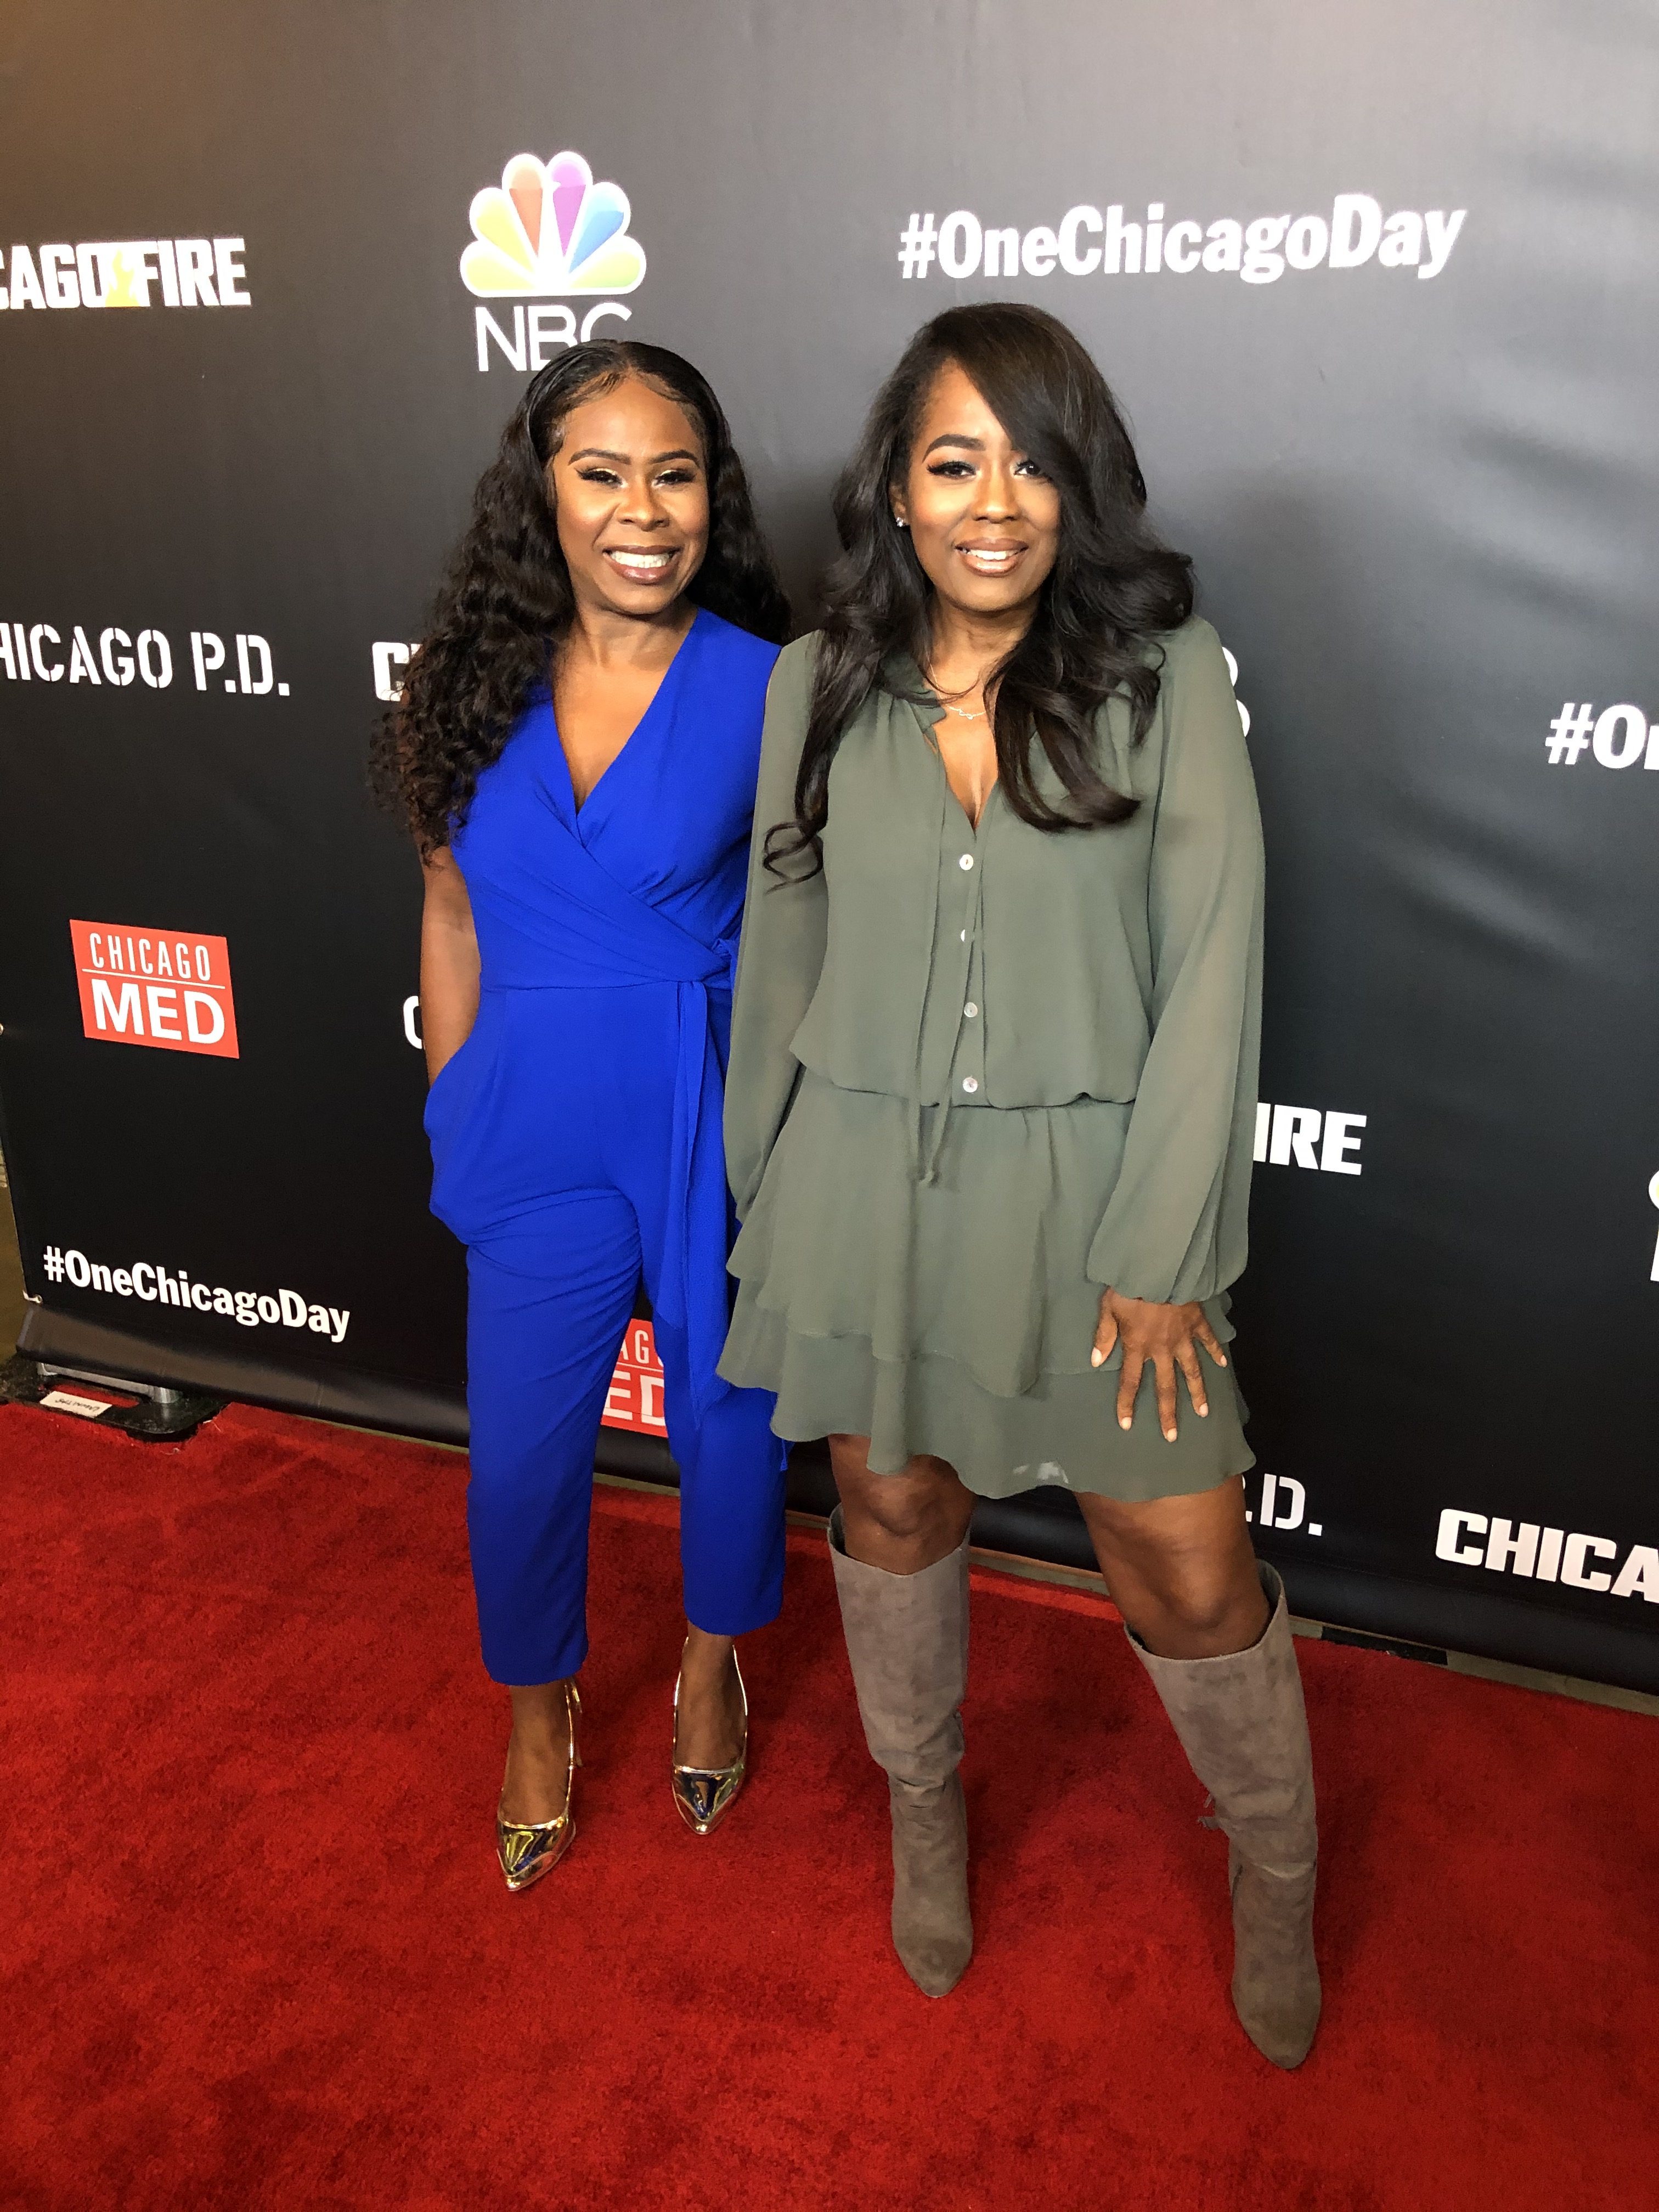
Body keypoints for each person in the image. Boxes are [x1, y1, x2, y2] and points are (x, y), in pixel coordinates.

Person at [719, 303, 1318, 2067]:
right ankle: (926, 1812)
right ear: (896, 489)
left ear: (1080, 486)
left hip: (1100, 1196)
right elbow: (783, 948)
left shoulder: (1168, 673)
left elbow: (1215, 966)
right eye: (954, 461)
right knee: (893, 1508)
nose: (995, 502)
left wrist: (1167, 1249)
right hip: (863, 1185)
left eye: (1033, 463)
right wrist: (771, 1201)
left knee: (1186, 1566)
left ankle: (1275, 1867)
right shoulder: (816, 681)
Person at [374, 341, 792, 1890]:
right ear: (540, 492)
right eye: (601, 472)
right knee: (520, 1459)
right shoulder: (464, 683)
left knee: (729, 1427)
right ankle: (537, 1707)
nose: (642, 510)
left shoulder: (772, 686)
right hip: (531, 1117)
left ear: (711, 495)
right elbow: (450, 912)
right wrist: (456, 1102)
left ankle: (709, 1661)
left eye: (674, 474)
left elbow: (817, 918)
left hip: (708, 1105)